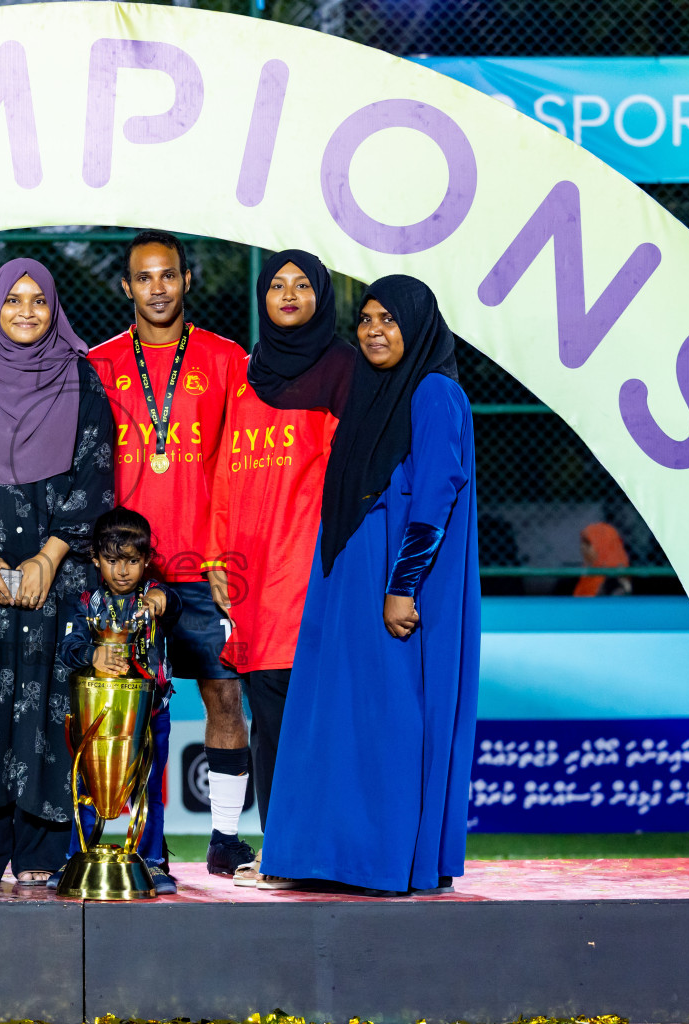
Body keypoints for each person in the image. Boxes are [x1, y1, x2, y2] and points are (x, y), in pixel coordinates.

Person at [250, 257, 480, 897]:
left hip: (390, 581)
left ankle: (382, 860)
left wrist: (402, 586)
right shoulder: (377, 392)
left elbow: (436, 492)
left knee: (389, 719)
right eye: (367, 319)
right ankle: (333, 855)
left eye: (389, 320)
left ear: (418, 327)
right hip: (348, 576)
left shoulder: (433, 391)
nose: (375, 331)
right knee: (340, 717)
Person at [88, 230, 255, 878]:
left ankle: (222, 838)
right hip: (128, 575)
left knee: (224, 696)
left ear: (188, 281)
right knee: (132, 709)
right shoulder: (98, 365)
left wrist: (228, 552)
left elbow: (247, 464)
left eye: (168, 276)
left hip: (208, 569)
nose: (157, 288)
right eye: (144, 278)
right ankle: (136, 842)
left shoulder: (225, 360)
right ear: (126, 286)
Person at [0, 257, 115, 886]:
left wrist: (51, 554)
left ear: (54, 309)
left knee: (48, 705)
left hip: (59, 573)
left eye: (37, 301)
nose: (25, 312)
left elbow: (97, 473)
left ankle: (44, 850)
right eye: (13, 300)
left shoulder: (81, 380)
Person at [204, 258, 338, 886]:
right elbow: (225, 479)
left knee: (318, 720)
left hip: (314, 578)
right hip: (253, 585)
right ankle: (284, 850)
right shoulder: (247, 375)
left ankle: (321, 850)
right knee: (269, 722)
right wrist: (216, 560)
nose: (289, 295)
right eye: (277, 285)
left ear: (322, 296)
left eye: (303, 284)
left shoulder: (340, 373)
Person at [55, 508, 180, 895]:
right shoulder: (85, 602)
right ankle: (77, 857)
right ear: (95, 559)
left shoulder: (154, 597)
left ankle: (153, 863)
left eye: (132, 561)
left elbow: (174, 605)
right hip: (96, 718)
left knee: (149, 790)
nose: (122, 571)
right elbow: (68, 648)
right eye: (112, 561)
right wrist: (93, 656)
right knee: (85, 790)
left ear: (146, 561)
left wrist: (162, 595)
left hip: (150, 714)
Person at [575, 522, 633, 596]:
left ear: (603, 546)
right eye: (582, 543)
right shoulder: (584, 575)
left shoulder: (616, 580)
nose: (582, 548)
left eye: (588, 544)